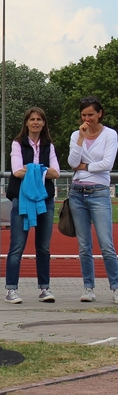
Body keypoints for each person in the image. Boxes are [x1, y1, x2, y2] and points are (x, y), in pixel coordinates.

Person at [4, 107, 60, 304]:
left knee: (43, 247)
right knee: (17, 246)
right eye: (32, 119)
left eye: (39, 119)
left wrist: (34, 169)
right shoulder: (18, 144)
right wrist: (43, 171)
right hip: (22, 198)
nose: (35, 122)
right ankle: (11, 289)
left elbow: (56, 172)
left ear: (44, 123)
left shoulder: (48, 146)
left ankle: (44, 288)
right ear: (26, 123)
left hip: (45, 199)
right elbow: (17, 171)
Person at [67, 96, 118, 303]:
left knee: (106, 244)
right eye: (83, 115)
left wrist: (85, 166)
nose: (87, 119)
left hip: (99, 192)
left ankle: (115, 287)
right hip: (77, 192)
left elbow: (107, 164)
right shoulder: (76, 135)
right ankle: (88, 288)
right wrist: (81, 138)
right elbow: (72, 162)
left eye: (90, 114)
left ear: (100, 114)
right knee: (84, 245)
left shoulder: (110, 135)